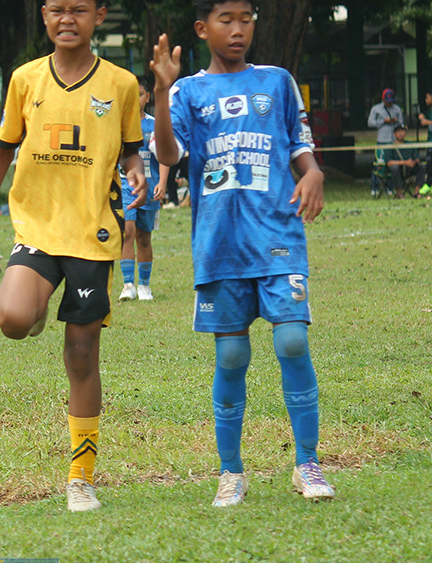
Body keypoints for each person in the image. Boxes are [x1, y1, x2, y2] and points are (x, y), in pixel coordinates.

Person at [0, 0, 147, 513]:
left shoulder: (121, 84)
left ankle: (80, 477)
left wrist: (137, 170)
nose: (67, 19)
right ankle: (36, 308)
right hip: (36, 224)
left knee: (81, 353)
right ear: (43, 15)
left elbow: (131, 149)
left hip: (92, 232)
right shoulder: (25, 79)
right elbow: (2, 148)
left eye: (78, 9)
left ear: (99, 15)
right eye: (57, 9)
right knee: (13, 320)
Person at [150, 0, 332, 507]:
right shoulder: (187, 92)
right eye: (225, 20)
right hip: (220, 245)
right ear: (201, 28)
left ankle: (307, 463)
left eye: (246, 20)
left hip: (278, 236)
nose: (238, 30)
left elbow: (298, 146)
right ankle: (231, 472)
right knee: (231, 355)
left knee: (292, 341)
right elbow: (168, 154)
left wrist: (314, 172)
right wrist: (162, 92)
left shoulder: (277, 81)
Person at [119, 75, 170, 302]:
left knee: (144, 237)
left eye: (139, 94)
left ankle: (144, 285)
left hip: (149, 188)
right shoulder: (119, 125)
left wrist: (163, 182)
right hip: (125, 186)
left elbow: (164, 155)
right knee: (127, 231)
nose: (135, 99)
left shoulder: (154, 125)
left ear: (147, 97)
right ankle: (128, 284)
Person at [379, 124, 422, 198]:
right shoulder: (389, 146)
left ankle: (417, 192)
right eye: (398, 131)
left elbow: (417, 158)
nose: (401, 133)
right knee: (395, 168)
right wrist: (405, 162)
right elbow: (389, 162)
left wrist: (413, 162)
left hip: (409, 169)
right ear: (394, 134)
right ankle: (399, 193)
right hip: (397, 170)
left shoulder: (411, 144)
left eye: (402, 131)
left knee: (421, 166)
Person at [417, 88, 432, 195]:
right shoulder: (430, 110)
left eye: (427, 98)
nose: (425, 100)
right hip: (430, 140)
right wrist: (422, 118)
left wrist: (428, 122)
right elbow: (425, 121)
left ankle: (429, 183)